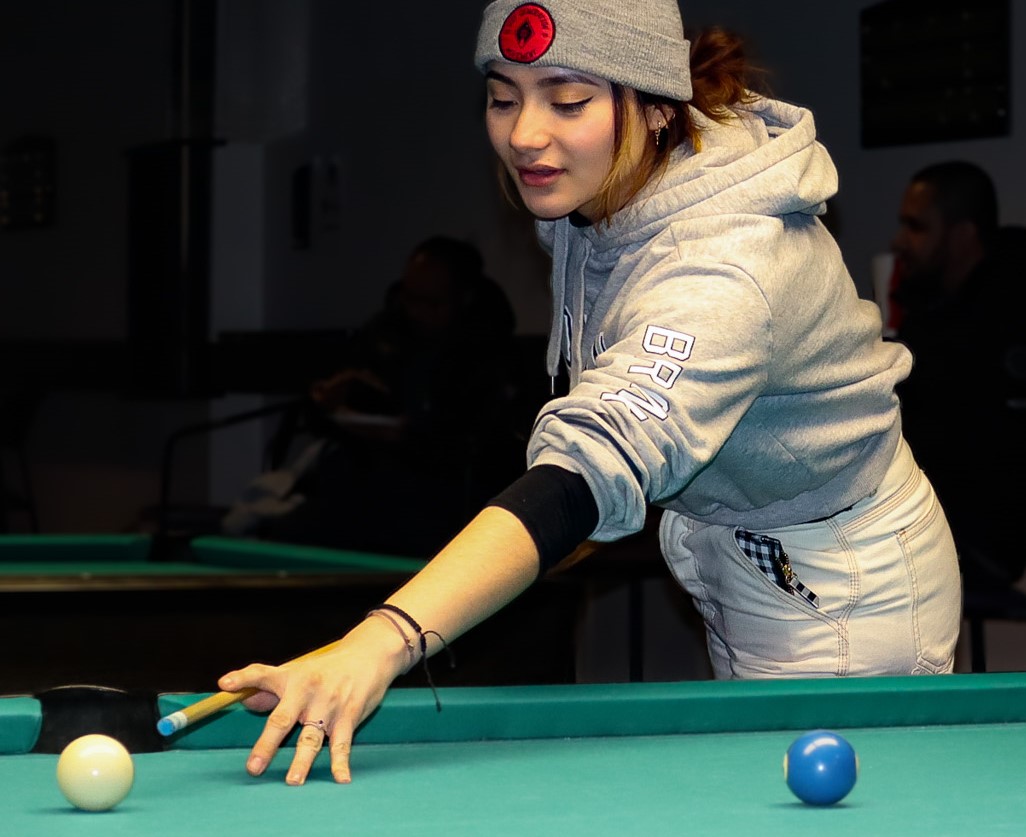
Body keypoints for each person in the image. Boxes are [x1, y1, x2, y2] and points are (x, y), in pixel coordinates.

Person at [219, 0, 961, 786]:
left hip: (840, 585)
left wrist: (380, 640)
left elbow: (592, 465)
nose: (525, 135)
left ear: (654, 108)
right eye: (503, 97)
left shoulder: (723, 270)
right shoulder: (611, 187)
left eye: (567, 100)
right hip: (751, 550)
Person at [250, 237, 524, 556]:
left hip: (441, 498)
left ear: (463, 298)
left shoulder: (489, 353)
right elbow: (328, 417)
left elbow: (483, 449)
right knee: (291, 534)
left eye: (432, 303)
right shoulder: (386, 332)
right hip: (361, 481)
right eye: (411, 299)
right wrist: (327, 402)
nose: (418, 312)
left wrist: (408, 437)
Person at [888, 161, 1026, 595]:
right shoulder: (936, 311)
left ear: (963, 235)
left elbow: (959, 427)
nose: (900, 243)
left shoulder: (1018, 318)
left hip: (972, 535)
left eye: (916, 227)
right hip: (922, 518)